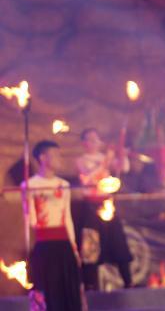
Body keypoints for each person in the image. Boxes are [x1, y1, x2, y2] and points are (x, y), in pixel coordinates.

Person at [24, 140, 85, 311]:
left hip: (64, 243)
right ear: (43, 158)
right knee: (48, 291)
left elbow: (67, 218)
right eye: (55, 155)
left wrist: (73, 247)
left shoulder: (63, 185)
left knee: (68, 290)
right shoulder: (30, 185)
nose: (59, 159)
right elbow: (31, 220)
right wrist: (36, 198)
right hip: (44, 244)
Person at [74, 128, 133, 289]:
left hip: (108, 203)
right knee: (90, 245)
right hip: (90, 206)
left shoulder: (104, 158)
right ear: (84, 143)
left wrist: (122, 155)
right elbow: (88, 177)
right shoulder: (81, 160)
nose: (93, 143)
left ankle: (128, 281)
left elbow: (124, 168)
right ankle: (90, 284)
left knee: (118, 241)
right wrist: (106, 160)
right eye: (90, 139)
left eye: (96, 139)